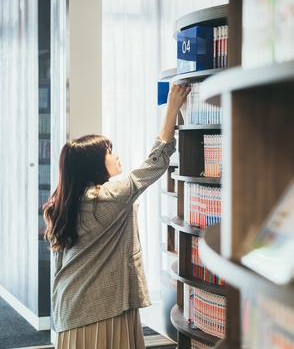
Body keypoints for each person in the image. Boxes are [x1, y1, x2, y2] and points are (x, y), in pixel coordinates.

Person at [43, 84, 191, 349]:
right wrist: (172, 110)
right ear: (94, 164)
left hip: (72, 304)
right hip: (101, 306)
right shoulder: (107, 197)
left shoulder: (67, 200)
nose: (116, 155)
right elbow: (155, 163)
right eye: (109, 152)